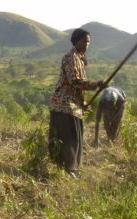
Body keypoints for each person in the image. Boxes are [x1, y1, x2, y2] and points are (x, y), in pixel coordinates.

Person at [48, 28, 106, 177]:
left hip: (73, 106)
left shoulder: (80, 58)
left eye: (88, 42)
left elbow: (78, 88)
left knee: (75, 137)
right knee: (70, 139)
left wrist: (83, 103)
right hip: (64, 105)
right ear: (76, 41)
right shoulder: (70, 57)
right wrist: (96, 84)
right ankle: (68, 170)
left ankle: (69, 169)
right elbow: (75, 82)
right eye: (84, 41)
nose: (86, 44)